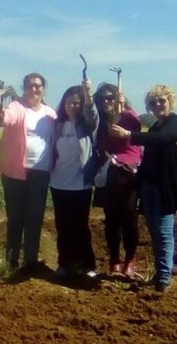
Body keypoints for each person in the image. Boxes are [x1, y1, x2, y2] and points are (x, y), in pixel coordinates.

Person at [110, 85, 177, 293]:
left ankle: (163, 278)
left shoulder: (176, 123)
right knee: (156, 232)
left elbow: (163, 139)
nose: (158, 105)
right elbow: (147, 161)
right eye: (153, 103)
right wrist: (136, 187)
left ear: (170, 101)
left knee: (163, 232)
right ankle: (162, 273)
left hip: (166, 188)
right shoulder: (154, 128)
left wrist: (129, 134)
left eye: (162, 100)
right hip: (150, 188)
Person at [0, 73, 56, 272]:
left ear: (43, 89)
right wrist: (1, 115)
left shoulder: (50, 114)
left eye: (38, 86)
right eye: (30, 86)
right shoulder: (17, 106)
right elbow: (8, 118)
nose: (34, 89)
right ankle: (11, 259)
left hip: (40, 172)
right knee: (15, 216)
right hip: (15, 172)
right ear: (25, 88)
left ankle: (30, 260)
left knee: (34, 217)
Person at [49, 80, 99, 280]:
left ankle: (86, 265)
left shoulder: (87, 125)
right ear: (64, 103)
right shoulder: (58, 125)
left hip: (81, 185)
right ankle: (64, 263)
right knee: (62, 226)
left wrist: (88, 93)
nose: (73, 105)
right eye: (69, 102)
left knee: (81, 227)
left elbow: (93, 114)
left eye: (77, 102)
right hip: (58, 183)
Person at [93, 83, 142, 278]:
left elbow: (137, 130)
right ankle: (114, 260)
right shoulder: (100, 120)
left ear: (118, 97)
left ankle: (130, 260)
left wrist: (127, 110)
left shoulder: (128, 116)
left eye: (111, 97)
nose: (107, 101)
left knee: (129, 219)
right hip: (108, 174)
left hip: (128, 174)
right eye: (103, 98)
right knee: (111, 220)